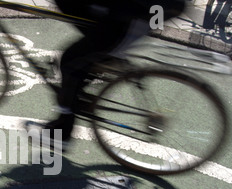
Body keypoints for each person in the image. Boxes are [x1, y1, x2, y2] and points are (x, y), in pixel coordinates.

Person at [38, 0, 186, 149]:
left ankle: (62, 133)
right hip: (137, 11)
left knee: (71, 62)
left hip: (137, 13)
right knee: (87, 57)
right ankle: (78, 90)